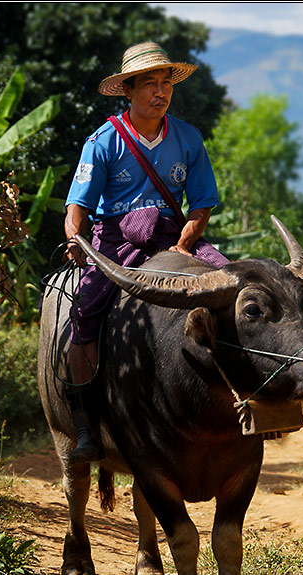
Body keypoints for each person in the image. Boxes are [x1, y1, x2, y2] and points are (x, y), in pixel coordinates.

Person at [62, 42, 229, 462]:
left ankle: (246, 398)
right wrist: (75, 242)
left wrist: (183, 246)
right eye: (150, 84)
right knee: (86, 310)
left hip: (174, 233)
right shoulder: (103, 142)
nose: (160, 92)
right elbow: (77, 207)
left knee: (233, 287)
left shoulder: (188, 137)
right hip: (116, 237)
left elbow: (202, 203)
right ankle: (86, 425)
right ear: (128, 91)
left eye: (165, 84)